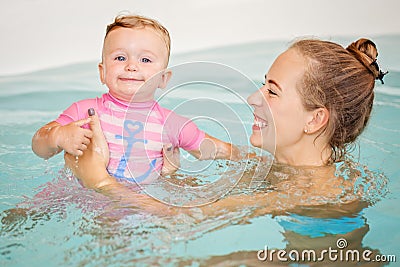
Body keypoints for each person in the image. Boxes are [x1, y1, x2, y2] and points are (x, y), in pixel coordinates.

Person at [64, 37, 387, 214]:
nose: (252, 97)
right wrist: (170, 178)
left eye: (272, 91)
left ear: (314, 119)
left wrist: (99, 181)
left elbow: (185, 218)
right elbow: (204, 195)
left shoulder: (312, 193)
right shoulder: (276, 166)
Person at [31, 14, 240, 183]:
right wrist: (58, 136)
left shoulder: (171, 124)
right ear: (102, 72)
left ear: (163, 79)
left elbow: (211, 149)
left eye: (145, 59)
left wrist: (249, 158)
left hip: (135, 206)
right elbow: (40, 147)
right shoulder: (84, 112)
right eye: (120, 58)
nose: (131, 66)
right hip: (79, 196)